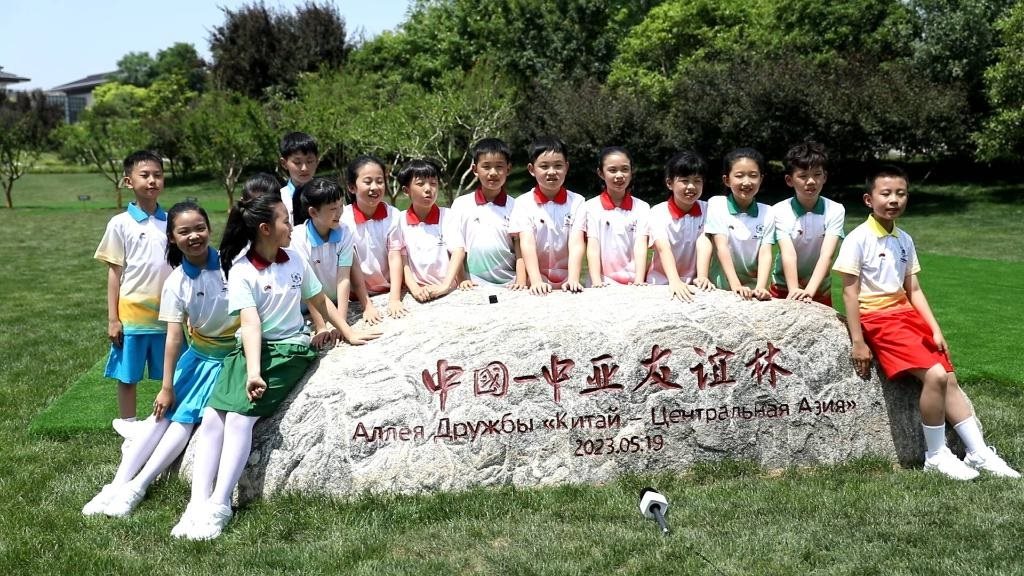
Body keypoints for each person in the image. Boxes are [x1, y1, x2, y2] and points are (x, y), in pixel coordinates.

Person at [172, 191, 379, 540]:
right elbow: (251, 324)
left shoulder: (294, 260)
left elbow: (319, 300)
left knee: (239, 419)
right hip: (250, 353)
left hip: (289, 352)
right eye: (285, 220)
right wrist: (253, 371)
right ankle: (196, 503)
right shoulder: (241, 271)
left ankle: (220, 504)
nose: (291, 226)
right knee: (213, 417)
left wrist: (349, 332)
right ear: (265, 229)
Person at [833, 165, 1019, 480]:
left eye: (901, 193)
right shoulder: (858, 239)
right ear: (868, 199)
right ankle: (936, 455)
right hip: (879, 320)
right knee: (934, 375)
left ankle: (978, 452)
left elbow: (914, 289)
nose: (894, 200)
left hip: (906, 316)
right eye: (886, 193)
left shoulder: (904, 239)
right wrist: (858, 341)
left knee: (949, 378)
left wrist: (935, 329)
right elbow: (850, 293)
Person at [82, 201, 239, 517]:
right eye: (184, 231)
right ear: (171, 237)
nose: (194, 236)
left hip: (231, 359)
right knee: (161, 414)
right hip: (198, 359)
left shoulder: (232, 265)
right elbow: (174, 337)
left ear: (210, 229)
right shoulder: (176, 281)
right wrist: (166, 387)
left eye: (200, 228)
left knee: (183, 420)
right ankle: (117, 484)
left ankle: (138, 486)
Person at [94, 150, 173, 435]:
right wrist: (113, 319)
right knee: (128, 375)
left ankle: (170, 425)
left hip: (169, 316)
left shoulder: (172, 221)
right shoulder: (119, 223)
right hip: (132, 317)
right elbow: (114, 273)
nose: (152, 181)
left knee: (172, 372)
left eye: (157, 175)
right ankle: (128, 428)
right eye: (145, 175)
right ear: (129, 182)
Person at [290, 177, 375, 347]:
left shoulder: (344, 232)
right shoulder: (298, 238)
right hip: (309, 304)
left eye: (341, 206)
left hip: (335, 300)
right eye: (333, 209)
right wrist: (321, 326)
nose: (339, 213)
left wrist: (340, 323)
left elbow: (344, 278)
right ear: (313, 212)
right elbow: (307, 287)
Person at [771, 141, 845, 306]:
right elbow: (788, 254)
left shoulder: (836, 210)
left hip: (820, 290)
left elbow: (827, 255)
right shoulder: (778, 211)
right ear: (789, 180)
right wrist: (794, 290)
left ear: (824, 177)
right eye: (803, 176)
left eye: (817, 174)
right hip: (782, 288)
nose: (811, 181)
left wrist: (809, 292)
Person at [510, 137, 586, 294]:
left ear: (566, 167)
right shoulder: (523, 203)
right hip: (536, 280)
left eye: (558, 166)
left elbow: (577, 243)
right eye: (544, 166)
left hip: (567, 279)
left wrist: (573, 279)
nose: (552, 172)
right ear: (531, 169)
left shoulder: (577, 202)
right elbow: (527, 243)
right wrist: (536, 281)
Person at [449, 138, 525, 289]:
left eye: (499, 167)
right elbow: (456, 247)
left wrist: (521, 281)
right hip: (473, 283)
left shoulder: (516, 206)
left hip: (509, 283)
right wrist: (462, 279)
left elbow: (520, 248)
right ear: (475, 169)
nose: (493, 173)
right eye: (486, 167)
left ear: (508, 169)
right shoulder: (461, 205)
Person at [339, 155, 406, 323]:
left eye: (380, 181)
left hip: (390, 288)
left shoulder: (393, 215)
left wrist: (394, 299)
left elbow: (395, 256)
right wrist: (367, 305)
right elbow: (350, 264)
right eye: (368, 182)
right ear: (352, 187)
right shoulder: (343, 220)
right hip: (357, 295)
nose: (375, 187)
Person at [705, 147, 776, 300]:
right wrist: (735, 285)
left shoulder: (768, 212)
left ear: (761, 179)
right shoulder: (717, 204)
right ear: (727, 180)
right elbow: (721, 246)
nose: (747, 182)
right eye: (739, 176)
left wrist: (761, 287)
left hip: (753, 290)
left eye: (753, 175)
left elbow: (765, 253)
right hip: (720, 288)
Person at [646, 151, 714, 301]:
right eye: (684, 180)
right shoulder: (658, 212)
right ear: (669, 183)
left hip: (696, 282)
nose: (691, 186)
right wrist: (675, 281)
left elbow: (705, 242)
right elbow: (663, 248)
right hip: (661, 282)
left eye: (697, 181)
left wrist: (702, 276)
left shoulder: (709, 210)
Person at [397, 159, 466, 301]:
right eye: (420, 184)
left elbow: (458, 251)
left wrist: (445, 286)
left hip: (448, 288)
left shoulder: (448, 216)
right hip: (416, 291)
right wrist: (415, 289)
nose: (428, 189)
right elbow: (402, 261)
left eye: (433, 183)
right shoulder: (399, 220)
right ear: (406, 191)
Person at [583, 146, 651, 287]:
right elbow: (593, 246)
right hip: (602, 282)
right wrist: (596, 281)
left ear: (632, 171)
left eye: (625, 169)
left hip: (634, 282)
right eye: (612, 170)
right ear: (601, 173)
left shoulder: (642, 207)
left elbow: (640, 245)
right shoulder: (590, 207)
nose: (619, 175)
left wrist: (639, 280)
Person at [278, 131, 319, 224]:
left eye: (309, 161)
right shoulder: (279, 198)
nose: (304, 168)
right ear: (284, 163)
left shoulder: (327, 194)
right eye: (297, 162)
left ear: (317, 160)